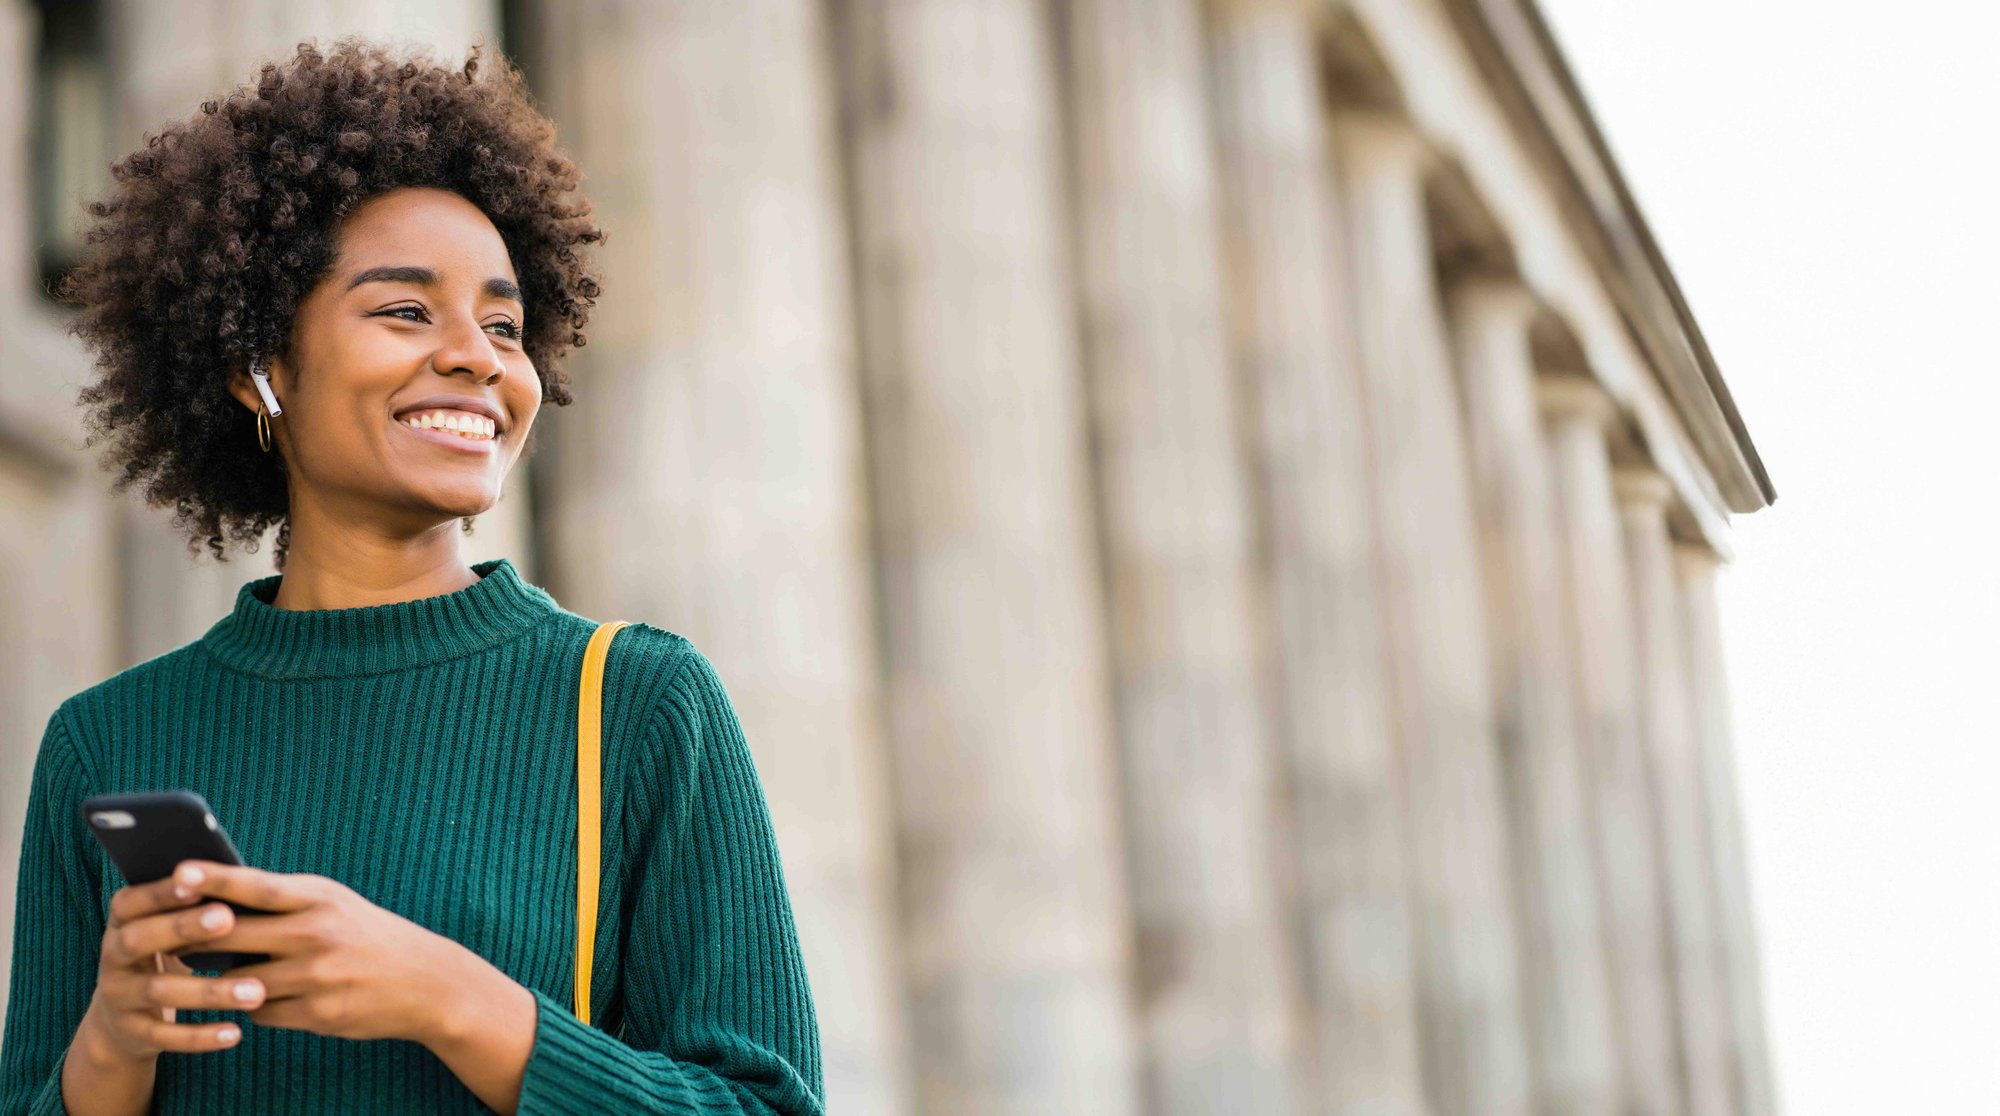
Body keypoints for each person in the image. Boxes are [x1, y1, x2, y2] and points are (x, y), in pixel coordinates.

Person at [0, 34, 823, 1116]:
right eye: (404, 310)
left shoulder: (637, 702)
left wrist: (453, 1000)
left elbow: (768, 1104)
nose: (478, 356)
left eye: (503, 325)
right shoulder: (106, 742)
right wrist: (112, 1044)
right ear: (262, 366)